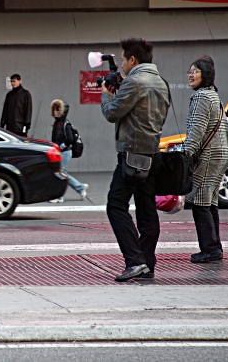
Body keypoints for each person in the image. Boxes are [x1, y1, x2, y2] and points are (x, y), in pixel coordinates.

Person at [100, 38, 170, 281]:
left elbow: (112, 113)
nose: (121, 64)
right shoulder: (161, 82)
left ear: (133, 60)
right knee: (147, 210)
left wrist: (105, 95)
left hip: (132, 155)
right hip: (153, 152)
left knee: (115, 205)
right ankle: (147, 263)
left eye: (122, 59)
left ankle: (135, 260)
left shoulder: (134, 81)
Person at [182, 55, 228, 263]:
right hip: (220, 153)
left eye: (195, 71)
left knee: (200, 201)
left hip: (208, 155)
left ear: (206, 75)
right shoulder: (213, 95)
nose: (190, 75)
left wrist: (186, 154)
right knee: (210, 201)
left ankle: (210, 249)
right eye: (190, 71)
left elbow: (196, 130)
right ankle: (214, 246)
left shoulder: (202, 97)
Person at [49, 99, 88, 203]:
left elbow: (70, 139)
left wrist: (60, 147)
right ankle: (80, 188)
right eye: (54, 109)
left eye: (57, 110)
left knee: (59, 173)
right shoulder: (57, 123)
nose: (55, 112)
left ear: (62, 111)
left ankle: (59, 196)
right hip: (61, 152)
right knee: (62, 172)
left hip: (65, 152)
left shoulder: (66, 124)